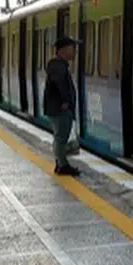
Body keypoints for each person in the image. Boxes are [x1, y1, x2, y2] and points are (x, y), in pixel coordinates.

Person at [43, 37, 81, 176]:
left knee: (60, 137)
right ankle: (63, 165)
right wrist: (65, 101)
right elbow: (59, 84)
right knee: (61, 138)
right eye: (72, 48)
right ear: (63, 50)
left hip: (57, 108)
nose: (74, 51)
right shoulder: (58, 66)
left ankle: (60, 163)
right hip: (59, 109)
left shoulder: (59, 65)